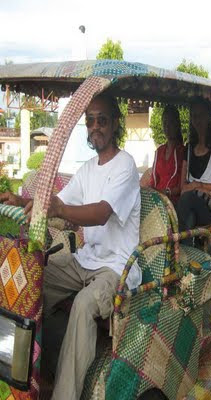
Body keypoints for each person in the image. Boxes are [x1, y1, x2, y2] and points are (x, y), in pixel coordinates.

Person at [0, 94, 142, 400]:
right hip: (86, 260)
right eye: (90, 120)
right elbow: (60, 203)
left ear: (115, 123)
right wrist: (23, 201)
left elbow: (101, 213)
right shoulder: (89, 167)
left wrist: (59, 211)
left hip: (116, 268)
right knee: (33, 281)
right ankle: (34, 370)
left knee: (83, 306)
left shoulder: (126, 166)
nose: (95, 126)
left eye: (102, 119)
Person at [177, 98, 211, 233]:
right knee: (188, 214)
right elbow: (182, 186)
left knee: (187, 199)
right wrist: (194, 189)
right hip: (190, 203)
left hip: (209, 208)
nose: (197, 120)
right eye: (194, 116)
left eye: (201, 115)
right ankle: (186, 249)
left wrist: (197, 186)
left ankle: (178, 247)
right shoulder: (188, 148)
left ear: (209, 117)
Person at [149, 105, 184, 203]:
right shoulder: (159, 151)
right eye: (165, 123)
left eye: (171, 123)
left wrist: (166, 192)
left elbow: (182, 186)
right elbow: (153, 180)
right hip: (157, 200)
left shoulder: (183, 152)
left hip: (172, 201)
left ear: (177, 125)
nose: (167, 127)